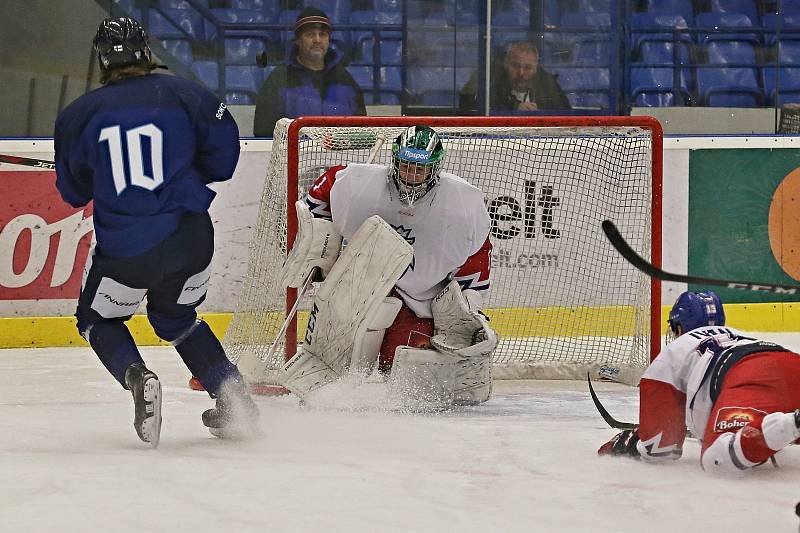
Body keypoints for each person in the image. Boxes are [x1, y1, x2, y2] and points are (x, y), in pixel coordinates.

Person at [54, 17, 259, 446]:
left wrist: (104, 179)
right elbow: (224, 158)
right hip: (192, 237)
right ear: (145, 51)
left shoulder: (78, 116)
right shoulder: (187, 94)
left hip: (128, 248)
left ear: (102, 59)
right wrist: (183, 172)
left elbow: (72, 192)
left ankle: (137, 376)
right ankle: (233, 395)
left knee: (96, 318)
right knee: (177, 317)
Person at [277, 125, 497, 407]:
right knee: (340, 352)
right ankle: (323, 386)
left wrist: (470, 305)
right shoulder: (360, 185)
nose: (412, 175)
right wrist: (321, 242)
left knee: (406, 368)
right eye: (406, 165)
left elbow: (477, 252)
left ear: (435, 168)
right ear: (394, 161)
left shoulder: (462, 203)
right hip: (361, 284)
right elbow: (323, 190)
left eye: (420, 168)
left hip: (420, 298)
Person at [598, 290, 800, 475]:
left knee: (717, 460)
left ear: (678, 327)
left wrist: (629, 443)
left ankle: (795, 421)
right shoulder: (740, 334)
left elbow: (660, 449)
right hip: (790, 361)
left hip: (750, 375)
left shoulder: (673, 351)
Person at [252, 7, 366, 137]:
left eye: (322, 34)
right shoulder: (279, 79)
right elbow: (263, 133)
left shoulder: (345, 80)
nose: (317, 40)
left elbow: (361, 133)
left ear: (328, 40)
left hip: (340, 157)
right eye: (310, 34)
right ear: (298, 41)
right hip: (294, 156)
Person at [459, 40, 571, 114]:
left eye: (527, 67)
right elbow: (469, 107)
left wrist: (540, 113)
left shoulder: (548, 84)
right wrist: (514, 108)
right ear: (506, 63)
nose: (521, 73)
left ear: (536, 68)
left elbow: (565, 114)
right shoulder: (489, 80)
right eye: (515, 66)